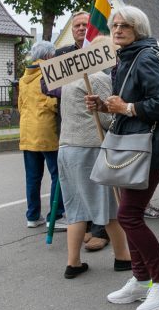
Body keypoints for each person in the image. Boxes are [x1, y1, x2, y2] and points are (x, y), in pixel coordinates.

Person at [85, 6, 159, 310]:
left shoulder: (146, 58)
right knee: (130, 213)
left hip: (150, 147)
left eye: (124, 26)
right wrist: (105, 105)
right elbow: (127, 104)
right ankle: (142, 280)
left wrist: (126, 108)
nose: (117, 30)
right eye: (115, 26)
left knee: (128, 215)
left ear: (138, 29)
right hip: (136, 145)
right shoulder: (127, 58)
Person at [52, 71, 131, 278]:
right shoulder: (98, 78)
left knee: (75, 207)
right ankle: (123, 257)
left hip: (66, 146)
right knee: (107, 204)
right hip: (90, 148)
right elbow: (107, 119)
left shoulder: (69, 79)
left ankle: (73, 262)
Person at [53, 11, 109, 250]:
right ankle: (85, 228)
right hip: (71, 124)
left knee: (98, 188)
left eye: (84, 25)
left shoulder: (102, 55)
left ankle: (100, 231)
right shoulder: (63, 54)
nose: (79, 28)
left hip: (93, 129)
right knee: (77, 187)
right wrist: (74, 88)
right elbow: (48, 85)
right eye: (76, 25)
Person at [18, 41, 63, 229]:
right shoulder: (49, 74)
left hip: (27, 132)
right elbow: (52, 102)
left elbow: (20, 105)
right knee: (58, 175)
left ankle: (32, 216)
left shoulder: (23, 78)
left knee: (32, 177)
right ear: (48, 57)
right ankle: (56, 216)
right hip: (47, 131)